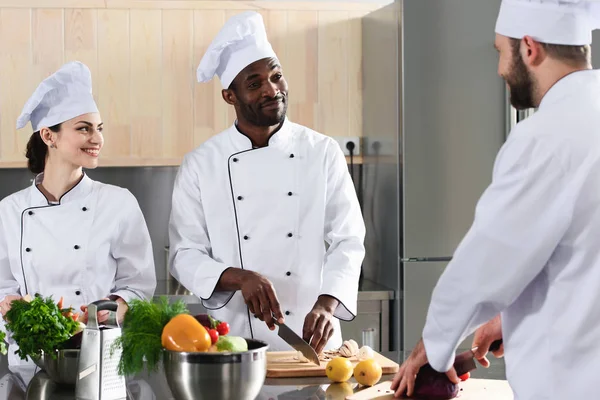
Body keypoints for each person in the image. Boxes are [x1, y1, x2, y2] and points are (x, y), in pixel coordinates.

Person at [391, 0, 600, 399]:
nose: (501, 70)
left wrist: (432, 345)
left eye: (501, 53)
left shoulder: (545, 136)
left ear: (528, 48)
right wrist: (508, 316)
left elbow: (484, 264)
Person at [169, 11, 365, 354]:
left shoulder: (321, 152)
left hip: (314, 342)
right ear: (230, 97)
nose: (272, 90)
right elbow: (184, 254)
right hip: (236, 344)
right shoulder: (202, 163)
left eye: (276, 76)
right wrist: (240, 277)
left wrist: (327, 304)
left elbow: (348, 240)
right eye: (255, 83)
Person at [0, 61, 157, 369]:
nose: (97, 139)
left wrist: (112, 310)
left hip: (101, 357)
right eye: (84, 128)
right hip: (30, 362)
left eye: (99, 129)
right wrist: (9, 306)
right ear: (49, 136)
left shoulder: (118, 203)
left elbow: (138, 286)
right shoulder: (9, 211)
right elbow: (2, 287)